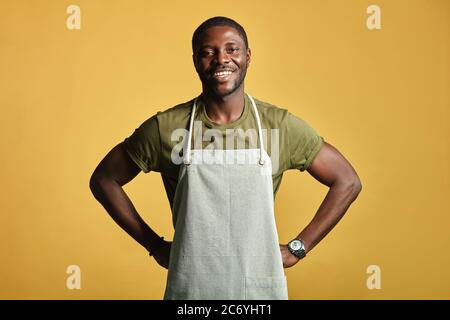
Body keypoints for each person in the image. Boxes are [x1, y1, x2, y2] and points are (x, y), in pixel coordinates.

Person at [89, 16, 362, 300]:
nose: (222, 59)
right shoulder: (167, 127)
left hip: (259, 289)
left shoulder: (278, 126)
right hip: (191, 290)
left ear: (247, 56)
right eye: (209, 52)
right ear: (196, 60)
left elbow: (347, 181)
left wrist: (299, 247)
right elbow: (104, 180)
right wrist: (155, 246)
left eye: (232, 49)